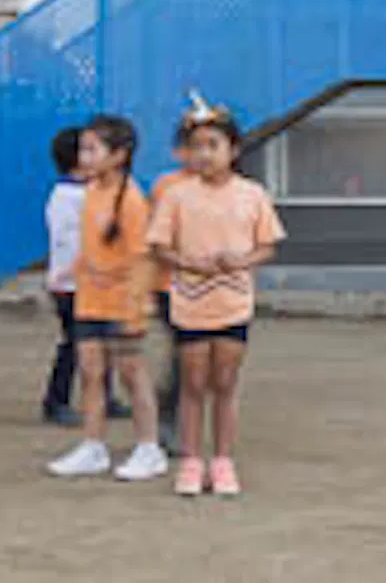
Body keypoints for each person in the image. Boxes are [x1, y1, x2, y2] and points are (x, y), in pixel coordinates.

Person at [147, 101, 285, 501]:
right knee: (192, 383)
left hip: (234, 301)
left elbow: (267, 245)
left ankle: (222, 460)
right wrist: (186, 262)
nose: (204, 154)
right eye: (196, 146)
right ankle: (192, 460)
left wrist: (240, 260)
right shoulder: (176, 195)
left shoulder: (252, 194)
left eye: (213, 145)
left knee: (225, 383)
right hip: (190, 302)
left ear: (234, 150)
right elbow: (158, 246)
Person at [46, 114, 170, 483]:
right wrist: (74, 274)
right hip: (89, 300)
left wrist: (135, 307)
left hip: (122, 303)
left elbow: (141, 258)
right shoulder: (91, 194)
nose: (84, 157)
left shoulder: (131, 200)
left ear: (119, 155)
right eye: (83, 149)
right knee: (90, 373)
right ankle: (93, 445)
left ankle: (149, 447)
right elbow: (89, 246)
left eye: (92, 149)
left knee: (132, 374)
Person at [40, 125, 90, 427]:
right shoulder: (66, 197)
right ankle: (55, 400)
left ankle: (103, 395)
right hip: (70, 285)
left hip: (90, 282)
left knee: (99, 342)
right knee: (74, 343)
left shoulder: (87, 193)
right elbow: (69, 242)